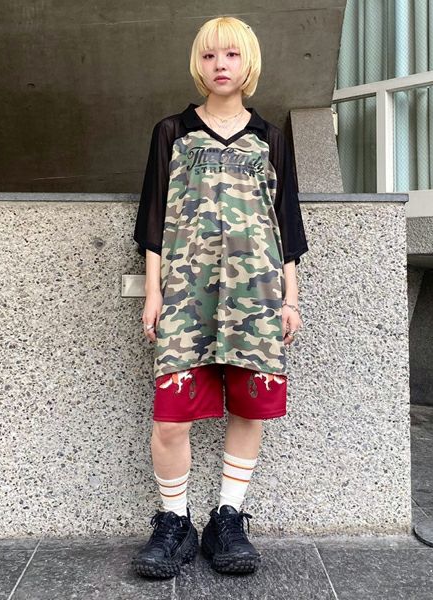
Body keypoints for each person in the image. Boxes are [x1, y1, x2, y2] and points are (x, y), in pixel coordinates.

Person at [131, 15, 309, 579]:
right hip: (187, 297)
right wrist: (153, 293)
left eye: (231, 55)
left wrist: (290, 298)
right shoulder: (173, 133)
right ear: (198, 64)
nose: (220, 65)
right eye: (209, 56)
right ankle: (174, 521)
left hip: (258, 295)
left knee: (249, 408)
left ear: (247, 62)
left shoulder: (270, 139)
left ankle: (227, 518)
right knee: (172, 417)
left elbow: (287, 224)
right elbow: (153, 220)